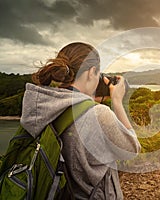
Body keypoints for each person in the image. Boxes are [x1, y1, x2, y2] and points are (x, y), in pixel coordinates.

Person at [20, 42, 141, 199]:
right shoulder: (98, 114)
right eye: (98, 75)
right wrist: (116, 102)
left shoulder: (41, 107)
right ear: (91, 72)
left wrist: (87, 101)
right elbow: (132, 149)